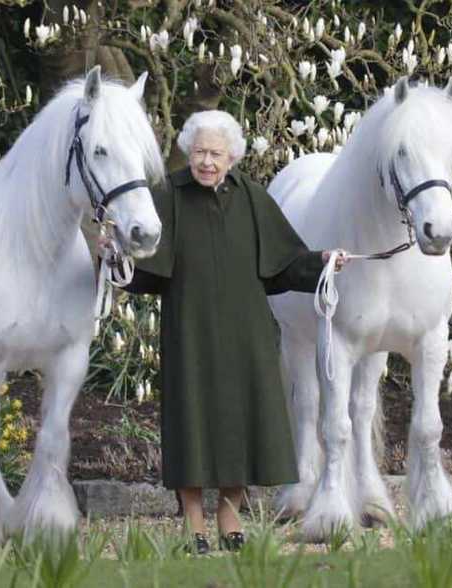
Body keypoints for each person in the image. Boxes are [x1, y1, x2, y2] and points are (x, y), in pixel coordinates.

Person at [118, 110, 348, 554]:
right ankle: (193, 522)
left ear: (233, 157)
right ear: (189, 151)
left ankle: (229, 514)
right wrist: (117, 262)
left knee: (244, 422)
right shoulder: (166, 195)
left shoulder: (253, 198)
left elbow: (283, 264)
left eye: (216, 154)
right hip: (190, 330)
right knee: (191, 423)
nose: (207, 162)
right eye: (200, 152)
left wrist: (323, 261)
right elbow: (145, 271)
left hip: (248, 334)